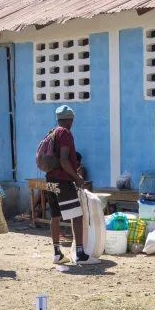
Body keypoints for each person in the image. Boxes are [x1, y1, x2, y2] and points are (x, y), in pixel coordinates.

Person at [45, 105, 98, 264]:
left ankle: (57, 254)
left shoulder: (51, 133)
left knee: (55, 217)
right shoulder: (65, 133)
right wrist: (76, 177)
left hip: (50, 180)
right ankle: (80, 254)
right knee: (77, 215)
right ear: (69, 119)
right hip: (63, 180)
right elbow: (63, 159)